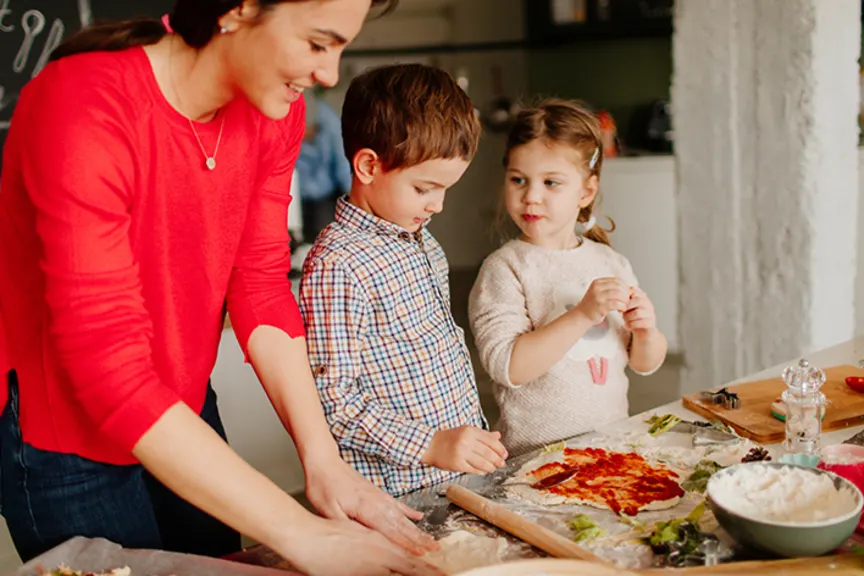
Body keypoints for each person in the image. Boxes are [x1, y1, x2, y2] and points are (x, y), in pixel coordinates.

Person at [0, 2, 444, 575]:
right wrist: (301, 533)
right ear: (240, 10)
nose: (331, 73)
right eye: (317, 44)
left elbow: (260, 284)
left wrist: (324, 460)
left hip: (182, 406)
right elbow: (107, 366)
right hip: (64, 439)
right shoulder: (81, 102)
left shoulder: (275, 114)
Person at [299, 63, 508, 498]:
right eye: (424, 188)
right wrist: (431, 444)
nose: (438, 205)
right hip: (397, 493)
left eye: (445, 189)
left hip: (454, 476)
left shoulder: (422, 242)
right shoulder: (338, 266)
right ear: (369, 165)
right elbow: (334, 402)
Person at [468, 99, 668, 457]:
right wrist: (582, 315)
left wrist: (646, 332)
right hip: (535, 460)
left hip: (611, 448)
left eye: (551, 182)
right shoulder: (506, 268)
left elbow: (644, 363)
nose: (531, 196)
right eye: (518, 180)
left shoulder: (611, 262)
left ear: (586, 191)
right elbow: (508, 367)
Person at [295, 90, 353, 243]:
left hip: (325, 195)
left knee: (323, 235)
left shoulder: (331, 124)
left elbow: (344, 167)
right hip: (296, 194)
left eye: (307, 133)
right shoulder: (281, 121)